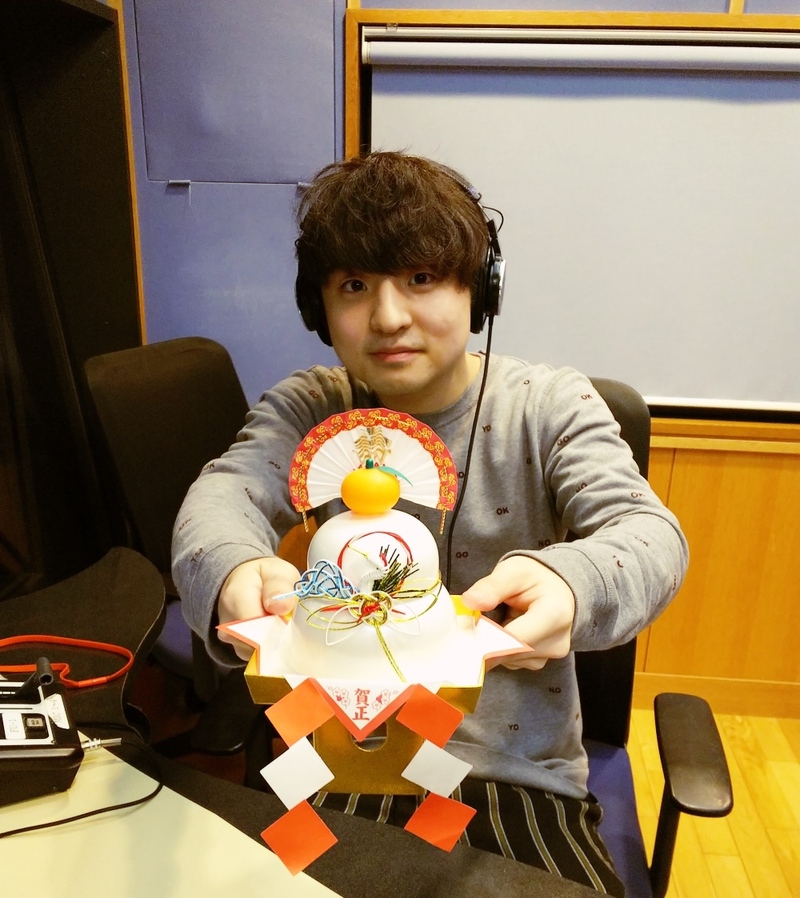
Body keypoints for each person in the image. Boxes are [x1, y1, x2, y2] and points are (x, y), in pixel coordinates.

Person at [172, 151, 688, 896]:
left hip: (515, 779)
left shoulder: (548, 407)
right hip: (339, 764)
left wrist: (571, 579)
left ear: (480, 290)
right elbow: (222, 496)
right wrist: (232, 568)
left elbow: (649, 532)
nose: (388, 317)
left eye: (420, 278)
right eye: (354, 286)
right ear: (319, 308)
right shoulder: (311, 405)